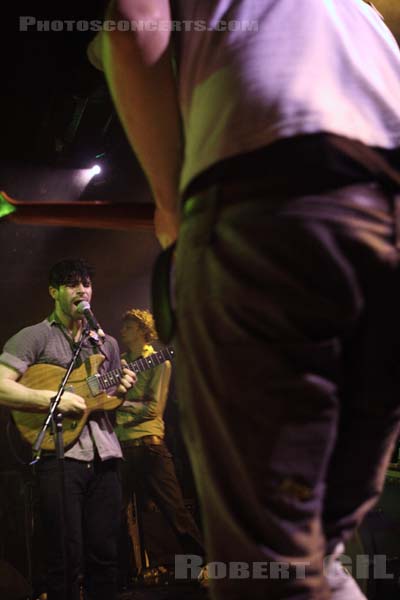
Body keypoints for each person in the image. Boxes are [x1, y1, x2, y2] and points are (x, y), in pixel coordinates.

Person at [101, 1, 400, 598]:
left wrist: (170, 203)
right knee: (315, 552)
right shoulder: (360, 14)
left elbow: (133, 23)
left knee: (270, 568)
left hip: (276, 193)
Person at [0, 258, 136, 600]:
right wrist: (52, 400)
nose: (83, 290)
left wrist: (121, 391)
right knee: (64, 557)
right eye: (73, 284)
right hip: (60, 460)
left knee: (106, 556)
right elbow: (1, 385)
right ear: (54, 291)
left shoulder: (106, 344)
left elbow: (107, 399)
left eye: (87, 283)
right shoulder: (33, 337)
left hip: (105, 458)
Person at [115, 308, 204, 581]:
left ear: (144, 330)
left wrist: (120, 407)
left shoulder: (158, 361)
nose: (123, 331)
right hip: (120, 449)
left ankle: (203, 566)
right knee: (114, 515)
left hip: (149, 446)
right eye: (124, 327)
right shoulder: (118, 363)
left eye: (130, 327)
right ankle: (126, 574)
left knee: (175, 511)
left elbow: (154, 408)